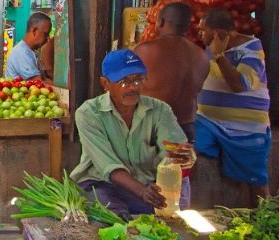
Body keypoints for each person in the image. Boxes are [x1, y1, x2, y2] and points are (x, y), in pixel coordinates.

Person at [71, 49, 195, 219]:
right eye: (124, 81)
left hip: (147, 184)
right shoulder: (89, 113)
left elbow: (173, 150)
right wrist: (142, 191)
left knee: (170, 217)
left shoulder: (159, 110)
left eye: (138, 80)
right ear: (105, 83)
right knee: (111, 217)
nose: (132, 87)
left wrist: (183, 157)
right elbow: (108, 166)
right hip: (102, 183)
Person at [195, 8, 271, 206]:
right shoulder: (209, 49)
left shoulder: (252, 48)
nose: (199, 33)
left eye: (204, 30)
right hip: (208, 121)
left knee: (255, 181)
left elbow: (238, 85)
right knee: (186, 146)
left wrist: (220, 56)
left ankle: (263, 219)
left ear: (219, 32)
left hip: (244, 128)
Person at [134, 2, 209, 142]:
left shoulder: (145, 50)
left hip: (151, 129)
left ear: (160, 21)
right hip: (185, 130)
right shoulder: (201, 56)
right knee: (179, 164)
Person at [5, 12, 52, 80]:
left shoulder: (32, 51)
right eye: (46, 34)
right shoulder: (22, 53)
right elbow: (39, 83)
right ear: (34, 31)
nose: (47, 38)